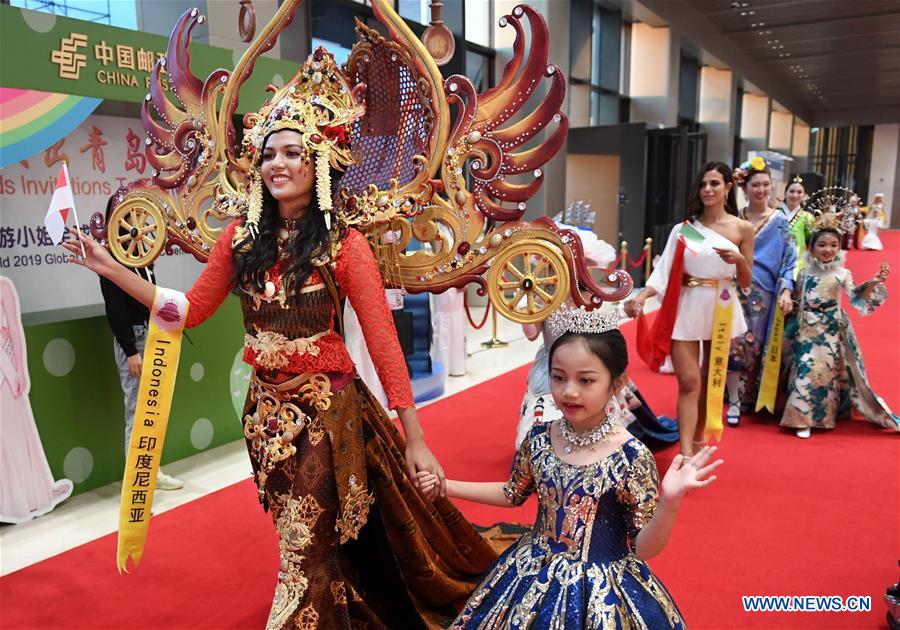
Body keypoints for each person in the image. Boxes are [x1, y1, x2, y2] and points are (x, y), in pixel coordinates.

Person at [63, 48, 495, 629]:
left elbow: (384, 344)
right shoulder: (239, 242)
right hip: (263, 415)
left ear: (320, 162)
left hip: (326, 414)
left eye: (293, 152)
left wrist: (414, 437)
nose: (278, 164)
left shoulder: (347, 248)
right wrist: (111, 270)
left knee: (302, 550)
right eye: (268, 154)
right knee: (301, 538)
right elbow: (187, 312)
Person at [418, 306, 723, 628]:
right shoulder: (539, 437)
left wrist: (670, 502)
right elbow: (512, 493)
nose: (569, 391)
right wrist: (447, 486)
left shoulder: (631, 456)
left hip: (603, 590)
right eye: (558, 377)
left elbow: (643, 548)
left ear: (617, 383)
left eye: (586, 380)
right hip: (530, 573)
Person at [625, 162, 753, 456]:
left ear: (728, 188)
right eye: (703, 184)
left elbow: (746, 280)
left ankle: (698, 443)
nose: (707, 190)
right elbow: (665, 270)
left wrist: (738, 260)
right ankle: (684, 453)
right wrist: (643, 295)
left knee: (710, 380)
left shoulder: (742, 228)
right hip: (686, 304)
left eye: (714, 184)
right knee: (688, 380)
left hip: (721, 304)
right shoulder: (685, 229)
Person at [780, 215, 899, 438]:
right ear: (812, 246)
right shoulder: (804, 272)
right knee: (804, 369)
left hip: (831, 330)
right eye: (822, 244)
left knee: (825, 374)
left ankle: (821, 417)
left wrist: (873, 281)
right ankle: (800, 418)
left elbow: (855, 296)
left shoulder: (842, 273)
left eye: (833, 245)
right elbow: (797, 297)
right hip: (805, 328)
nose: (828, 250)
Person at [99, 196, 183, 491]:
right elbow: (115, 309)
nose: (134, 217)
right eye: (127, 211)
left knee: (153, 409)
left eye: (136, 211)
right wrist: (130, 351)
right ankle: (136, 484)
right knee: (136, 411)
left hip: (154, 334)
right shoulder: (110, 256)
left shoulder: (141, 251)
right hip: (133, 340)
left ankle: (152, 473)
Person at [725, 160, 795, 425]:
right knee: (734, 342)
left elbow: (790, 259)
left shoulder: (780, 221)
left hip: (764, 290)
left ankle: (750, 396)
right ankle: (733, 399)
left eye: (766, 184)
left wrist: (787, 289)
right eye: (756, 184)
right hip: (733, 288)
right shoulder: (735, 218)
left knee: (757, 345)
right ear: (744, 187)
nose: (762, 190)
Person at [0, 276, 73, 523]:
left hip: (5, 373)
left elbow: (16, 331)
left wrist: (21, 370)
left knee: (14, 435)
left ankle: (24, 498)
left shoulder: (4, 286)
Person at [779, 176, 815, 277]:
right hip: (775, 260)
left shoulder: (808, 217)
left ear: (804, 195)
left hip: (798, 264)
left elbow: (813, 241)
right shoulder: (775, 214)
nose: (795, 195)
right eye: (792, 191)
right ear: (785, 193)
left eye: (799, 192)